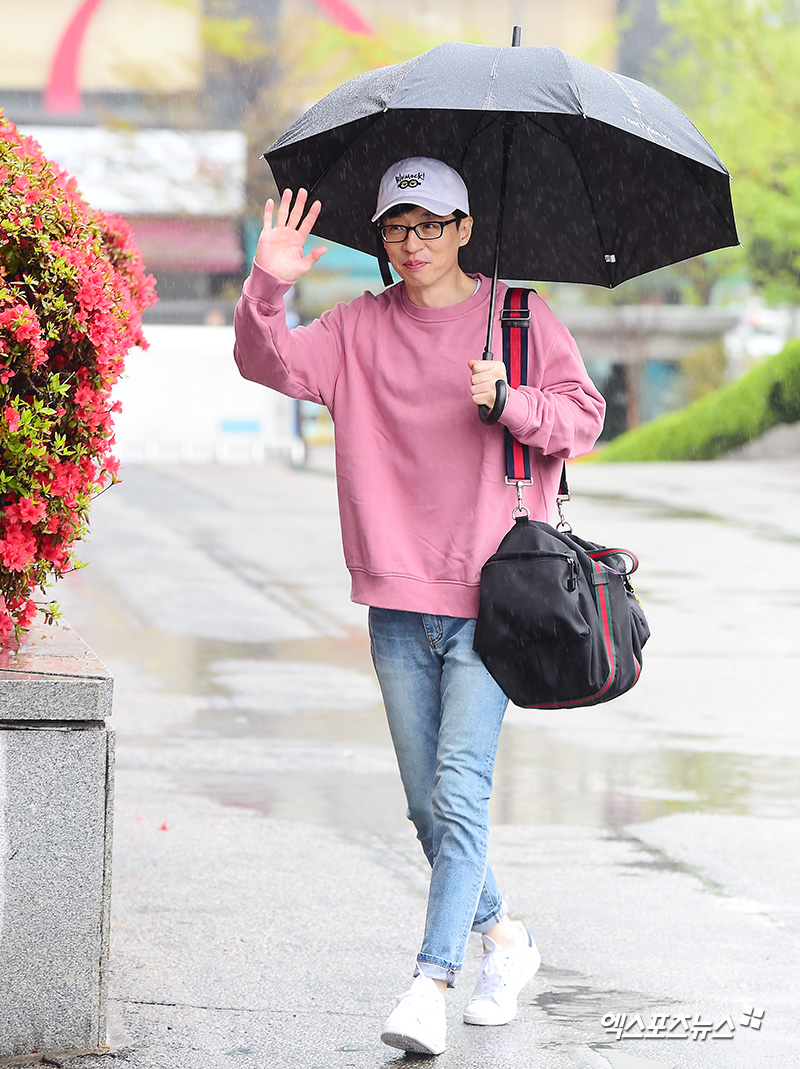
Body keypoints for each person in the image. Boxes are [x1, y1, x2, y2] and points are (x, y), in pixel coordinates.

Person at [233, 157, 605, 1056]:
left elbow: (584, 418)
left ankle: (430, 982)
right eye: (397, 227)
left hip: (495, 601)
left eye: (431, 225)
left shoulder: (519, 319)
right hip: (396, 601)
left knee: (459, 789)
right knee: (426, 807)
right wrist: (267, 285)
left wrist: (512, 401)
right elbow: (265, 361)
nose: (413, 243)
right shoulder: (357, 328)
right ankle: (505, 938)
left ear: (465, 228)